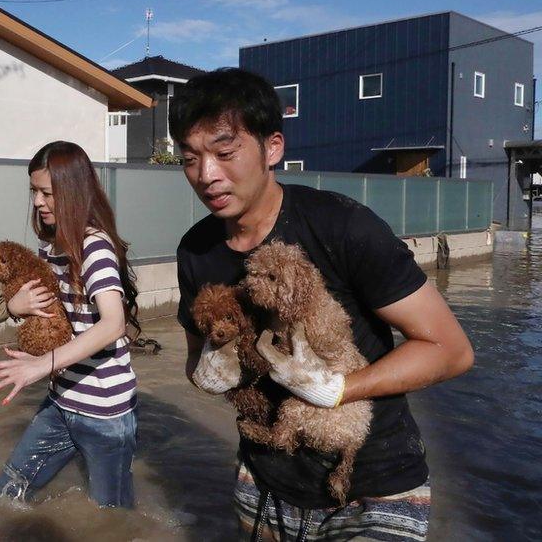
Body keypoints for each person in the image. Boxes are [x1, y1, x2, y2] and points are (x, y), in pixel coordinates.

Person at [168, 68, 474, 540]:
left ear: (273, 147)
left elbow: (450, 349)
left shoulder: (343, 227)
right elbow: (194, 354)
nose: (207, 175)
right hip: (263, 482)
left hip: (376, 489)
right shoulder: (195, 252)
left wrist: (337, 388)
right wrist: (208, 369)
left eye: (225, 153)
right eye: (191, 159)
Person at [0, 141, 140, 508]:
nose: (37, 202)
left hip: (105, 412)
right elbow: (48, 313)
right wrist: (13, 307)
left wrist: (40, 365)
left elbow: (114, 324)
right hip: (61, 401)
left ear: (72, 192)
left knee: (111, 516)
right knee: (6, 491)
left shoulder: (94, 247)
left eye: (47, 193)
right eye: (34, 191)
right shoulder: (48, 249)